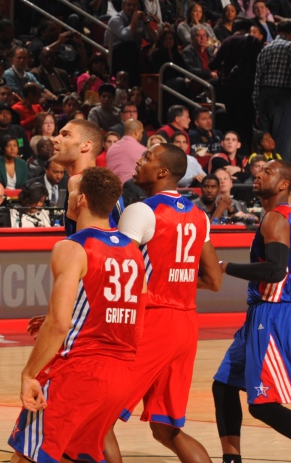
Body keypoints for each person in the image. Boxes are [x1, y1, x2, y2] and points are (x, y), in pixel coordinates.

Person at [7, 167, 144, 463]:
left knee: (26, 458)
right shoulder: (133, 252)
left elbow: (59, 324)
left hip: (79, 373)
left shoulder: (71, 247)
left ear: (80, 200)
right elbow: (129, 317)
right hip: (121, 375)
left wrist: (29, 374)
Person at [104, 143, 221, 463]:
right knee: (166, 429)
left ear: (163, 172)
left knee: (97, 418)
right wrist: (174, 278)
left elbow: (121, 273)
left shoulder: (141, 210)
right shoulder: (199, 215)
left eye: (147, 158)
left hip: (152, 322)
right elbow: (214, 280)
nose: (139, 161)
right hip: (185, 324)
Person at [213, 160, 291, 458]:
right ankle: (232, 457)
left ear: (284, 184)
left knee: (263, 405)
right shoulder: (289, 220)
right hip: (267, 313)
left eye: (268, 172)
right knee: (225, 386)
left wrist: (223, 266)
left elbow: (274, 272)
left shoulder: (276, 219)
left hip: (273, 312)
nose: (258, 174)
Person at [52, 119, 122, 233]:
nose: (55, 139)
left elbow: (91, 242)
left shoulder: (81, 182)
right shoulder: (102, 181)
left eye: (66, 135)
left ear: (85, 145)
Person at [254, 20, 291, 160]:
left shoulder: (265, 49)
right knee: (282, 142)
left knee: (264, 141)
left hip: (264, 97)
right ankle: (281, 175)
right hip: (283, 98)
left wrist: (257, 107)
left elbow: (257, 81)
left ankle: (262, 172)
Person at [106, 120, 147, 184]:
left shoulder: (111, 149)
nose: (142, 135)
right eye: (141, 132)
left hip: (112, 188)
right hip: (133, 190)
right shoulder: (143, 150)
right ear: (137, 132)